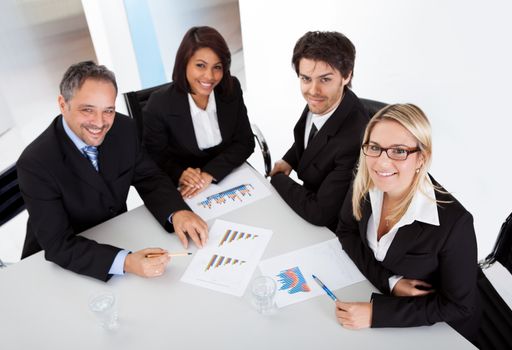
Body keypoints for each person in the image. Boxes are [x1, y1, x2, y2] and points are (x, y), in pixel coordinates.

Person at [17, 61, 208, 282]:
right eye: (88, 110)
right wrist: (126, 262)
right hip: (57, 266)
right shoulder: (35, 163)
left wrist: (177, 212)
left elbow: (149, 177)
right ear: (63, 103)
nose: (99, 123)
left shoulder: (124, 129)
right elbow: (59, 245)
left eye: (108, 110)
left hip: (115, 234)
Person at [335, 104, 480, 343]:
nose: (381, 162)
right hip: (373, 298)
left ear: (421, 157)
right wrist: (390, 283)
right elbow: (346, 231)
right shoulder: (365, 180)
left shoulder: (454, 224)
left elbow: (459, 306)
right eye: (375, 147)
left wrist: (376, 314)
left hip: (438, 331)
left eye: (399, 151)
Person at [269, 31, 369, 231]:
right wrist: (289, 160)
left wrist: (277, 179)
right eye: (306, 79)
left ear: (346, 75)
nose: (313, 90)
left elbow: (320, 213)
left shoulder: (353, 140)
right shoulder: (325, 101)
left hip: (329, 228)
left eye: (325, 79)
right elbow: (311, 137)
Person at [142, 26, 255, 199]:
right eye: (200, 65)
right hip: (188, 189)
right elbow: (154, 156)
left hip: (228, 177)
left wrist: (210, 173)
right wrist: (180, 173)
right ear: (184, 63)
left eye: (217, 67)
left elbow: (245, 142)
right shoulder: (160, 104)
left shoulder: (230, 89)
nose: (209, 76)